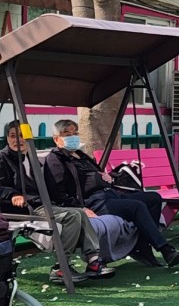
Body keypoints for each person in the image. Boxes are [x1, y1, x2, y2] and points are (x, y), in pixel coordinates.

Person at [43, 119, 179, 268]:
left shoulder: (80, 155)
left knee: (154, 198)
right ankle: (165, 249)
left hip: (110, 194)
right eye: (67, 134)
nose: (73, 136)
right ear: (56, 139)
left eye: (75, 133)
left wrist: (107, 178)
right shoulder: (56, 160)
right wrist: (81, 208)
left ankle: (142, 246)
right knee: (137, 207)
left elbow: (95, 174)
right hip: (95, 202)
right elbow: (58, 193)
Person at [0, 121, 115, 283]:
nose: (18, 140)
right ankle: (62, 267)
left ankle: (93, 260)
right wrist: (12, 195)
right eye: (13, 136)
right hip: (23, 209)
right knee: (72, 216)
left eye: (22, 136)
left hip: (41, 204)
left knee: (80, 213)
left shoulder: (31, 158)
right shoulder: (3, 158)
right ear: (7, 138)